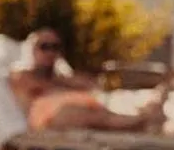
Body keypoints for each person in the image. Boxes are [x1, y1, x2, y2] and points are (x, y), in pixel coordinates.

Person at [10, 28, 165, 133]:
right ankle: (139, 121)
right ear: (32, 49)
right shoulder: (22, 75)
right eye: (44, 46)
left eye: (55, 47)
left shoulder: (63, 77)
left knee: (95, 109)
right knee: (76, 111)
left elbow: (94, 87)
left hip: (75, 115)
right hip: (46, 121)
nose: (50, 52)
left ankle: (142, 117)